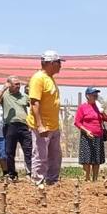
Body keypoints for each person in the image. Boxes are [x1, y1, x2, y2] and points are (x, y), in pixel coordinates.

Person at [27, 50, 64, 186]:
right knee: (41, 155)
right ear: (51, 63)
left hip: (53, 125)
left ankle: (52, 180)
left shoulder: (50, 78)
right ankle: (38, 182)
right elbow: (34, 103)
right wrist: (40, 125)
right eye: (59, 63)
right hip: (42, 125)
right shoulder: (38, 78)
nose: (60, 66)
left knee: (55, 156)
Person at [0, 76, 32, 182]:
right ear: (9, 84)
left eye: (19, 84)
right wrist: (3, 88)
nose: (18, 86)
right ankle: (12, 174)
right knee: (9, 151)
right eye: (16, 84)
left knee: (28, 150)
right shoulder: (4, 95)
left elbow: (33, 105)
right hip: (10, 126)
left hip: (24, 126)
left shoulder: (24, 96)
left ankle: (30, 173)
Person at [74, 86, 107, 182]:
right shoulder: (83, 107)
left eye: (96, 94)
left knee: (96, 159)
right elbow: (77, 122)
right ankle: (87, 178)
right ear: (87, 96)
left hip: (98, 136)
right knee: (87, 158)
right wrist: (86, 131)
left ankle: (95, 179)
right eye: (93, 94)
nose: (95, 96)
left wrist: (102, 111)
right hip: (87, 136)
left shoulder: (98, 107)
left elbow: (106, 119)